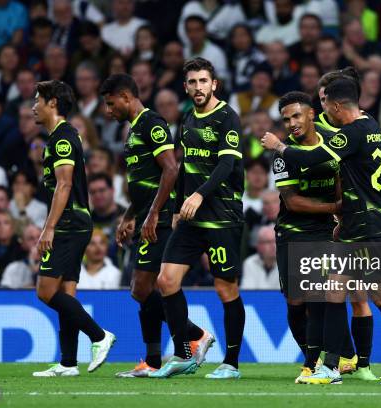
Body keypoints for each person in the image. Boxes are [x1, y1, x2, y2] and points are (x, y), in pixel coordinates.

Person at [261, 68, 381, 385]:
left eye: (326, 108)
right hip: (363, 223)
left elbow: (313, 160)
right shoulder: (373, 128)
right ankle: (332, 367)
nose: (326, 114)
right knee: (336, 288)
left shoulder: (350, 132)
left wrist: (279, 147)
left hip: (365, 226)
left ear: (337, 106)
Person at [99, 73, 209, 377]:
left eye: (110, 104)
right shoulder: (134, 130)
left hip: (158, 221)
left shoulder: (152, 124)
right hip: (147, 216)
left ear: (125, 96)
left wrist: (152, 214)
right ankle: (161, 354)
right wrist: (130, 214)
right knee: (142, 289)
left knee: (147, 286)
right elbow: (144, 183)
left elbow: (171, 170)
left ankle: (188, 340)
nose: (108, 111)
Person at [270, 91, 378, 382]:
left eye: (295, 115)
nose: (291, 123)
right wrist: (335, 208)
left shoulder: (333, 143)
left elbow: (344, 179)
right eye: (286, 119)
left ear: (311, 115)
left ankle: (315, 362)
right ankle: (316, 353)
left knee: (319, 296)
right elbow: (292, 202)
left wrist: (341, 215)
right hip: (292, 232)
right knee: (295, 304)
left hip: (325, 232)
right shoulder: (283, 156)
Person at [152, 58, 245, 379]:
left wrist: (199, 195)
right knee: (165, 281)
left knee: (225, 289)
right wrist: (178, 206)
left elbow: (226, 166)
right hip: (191, 217)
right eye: (192, 82)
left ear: (214, 84)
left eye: (203, 81)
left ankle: (231, 363)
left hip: (222, 217)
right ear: (186, 87)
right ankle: (183, 352)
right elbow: (184, 169)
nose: (198, 87)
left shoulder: (227, 118)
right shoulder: (188, 119)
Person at [31, 79, 114, 377]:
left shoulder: (62, 138)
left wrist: (48, 227)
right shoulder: (63, 136)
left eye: (38, 100)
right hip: (77, 221)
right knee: (66, 292)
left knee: (45, 291)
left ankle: (99, 336)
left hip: (68, 222)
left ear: (53, 102)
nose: (33, 107)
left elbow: (64, 184)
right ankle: (68, 363)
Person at [0, 223, 41, 288]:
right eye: (31, 238)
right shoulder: (13, 268)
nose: (37, 241)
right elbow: (4, 295)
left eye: (39, 237)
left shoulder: (53, 265)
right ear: (23, 244)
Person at [241, 225, 279, 290]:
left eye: (276, 242)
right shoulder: (250, 263)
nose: (273, 246)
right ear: (259, 245)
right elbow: (248, 292)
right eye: (269, 242)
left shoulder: (288, 263)